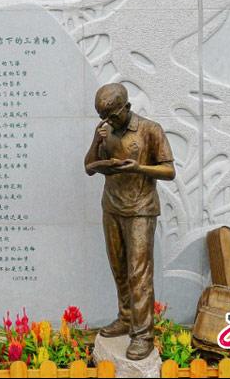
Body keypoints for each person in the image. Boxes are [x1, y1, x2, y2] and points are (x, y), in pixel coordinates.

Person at [84, 83, 175, 360]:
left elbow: (169, 171)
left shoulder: (150, 130)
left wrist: (139, 168)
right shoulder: (105, 130)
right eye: (103, 117)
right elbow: (89, 167)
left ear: (127, 107)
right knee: (119, 268)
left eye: (112, 116)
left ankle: (143, 334)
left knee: (139, 273)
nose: (108, 122)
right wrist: (97, 141)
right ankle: (126, 318)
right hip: (112, 207)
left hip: (140, 210)